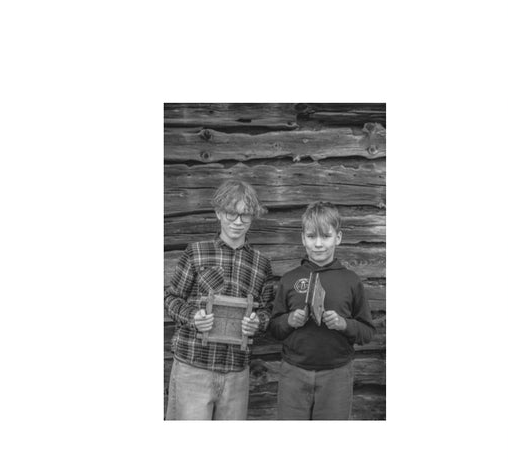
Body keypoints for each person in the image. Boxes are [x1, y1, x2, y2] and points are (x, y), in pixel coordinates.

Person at [163, 177, 275, 420]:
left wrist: (257, 323)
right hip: (193, 367)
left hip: (236, 372)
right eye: (231, 213)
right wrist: (193, 317)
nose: (237, 221)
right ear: (218, 212)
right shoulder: (196, 252)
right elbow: (171, 298)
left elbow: (267, 310)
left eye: (245, 215)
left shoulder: (261, 264)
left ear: (252, 216)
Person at [266, 202, 383, 421]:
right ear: (303, 239)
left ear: (338, 237)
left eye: (326, 237)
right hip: (294, 372)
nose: (318, 244)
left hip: (337, 374)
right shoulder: (290, 279)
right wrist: (290, 320)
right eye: (311, 237)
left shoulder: (351, 281)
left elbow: (367, 332)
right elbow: (274, 328)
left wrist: (344, 324)